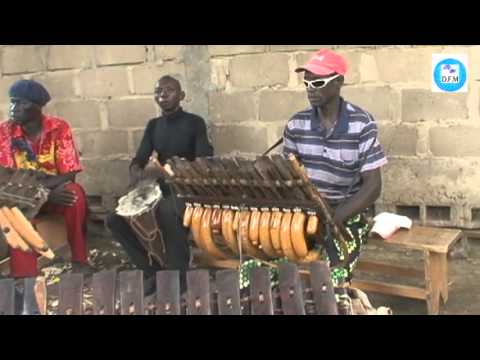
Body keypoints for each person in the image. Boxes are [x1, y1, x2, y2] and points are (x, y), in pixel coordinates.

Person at [283, 48, 388, 287]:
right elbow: (291, 178)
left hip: (347, 213)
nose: (311, 88)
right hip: (309, 211)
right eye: (307, 82)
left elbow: (373, 186)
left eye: (318, 82)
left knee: (331, 279)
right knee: (268, 267)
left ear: (339, 82)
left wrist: (337, 216)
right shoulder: (296, 124)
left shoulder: (362, 123)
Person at [106, 75, 214, 295]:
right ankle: (151, 271)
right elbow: (138, 160)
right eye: (158, 91)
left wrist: (177, 169)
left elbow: (204, 160)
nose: (162, 94)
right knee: (114, 219)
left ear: (181, 96)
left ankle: (178, 278)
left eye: (169, 90)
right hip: (159, 189)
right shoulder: (154, 126)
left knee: (166, 211)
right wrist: (138, 172)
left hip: (188, 189)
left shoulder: (195, 123)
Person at [0, 79, 94, 278]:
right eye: (12, 102)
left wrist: (45, 194)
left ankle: (80, 260)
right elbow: (7, 181)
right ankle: (25, 278)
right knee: (13, 212)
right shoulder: (4, 133)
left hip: (51, 194)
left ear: (36, 107)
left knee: (74, 194)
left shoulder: (59, 128)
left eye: (20, 103)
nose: (13, 108)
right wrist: (42, 194)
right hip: (20, 198)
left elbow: (69, 172)